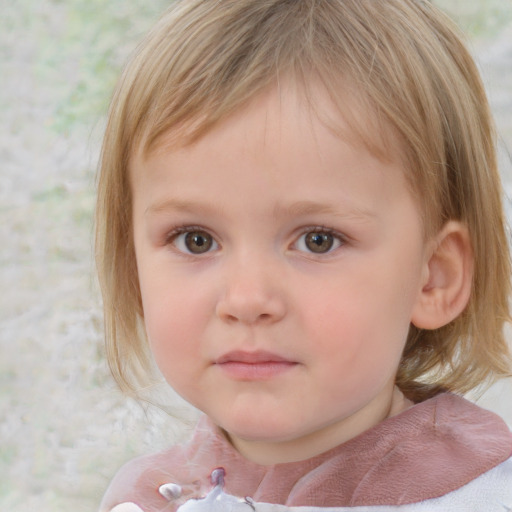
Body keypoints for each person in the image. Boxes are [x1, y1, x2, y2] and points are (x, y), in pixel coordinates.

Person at [95, 1, 512, 511]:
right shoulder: (146, 498)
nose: (247, 299)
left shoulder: (479, 496)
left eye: (318, 240)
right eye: (195, 239)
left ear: (433, 278)